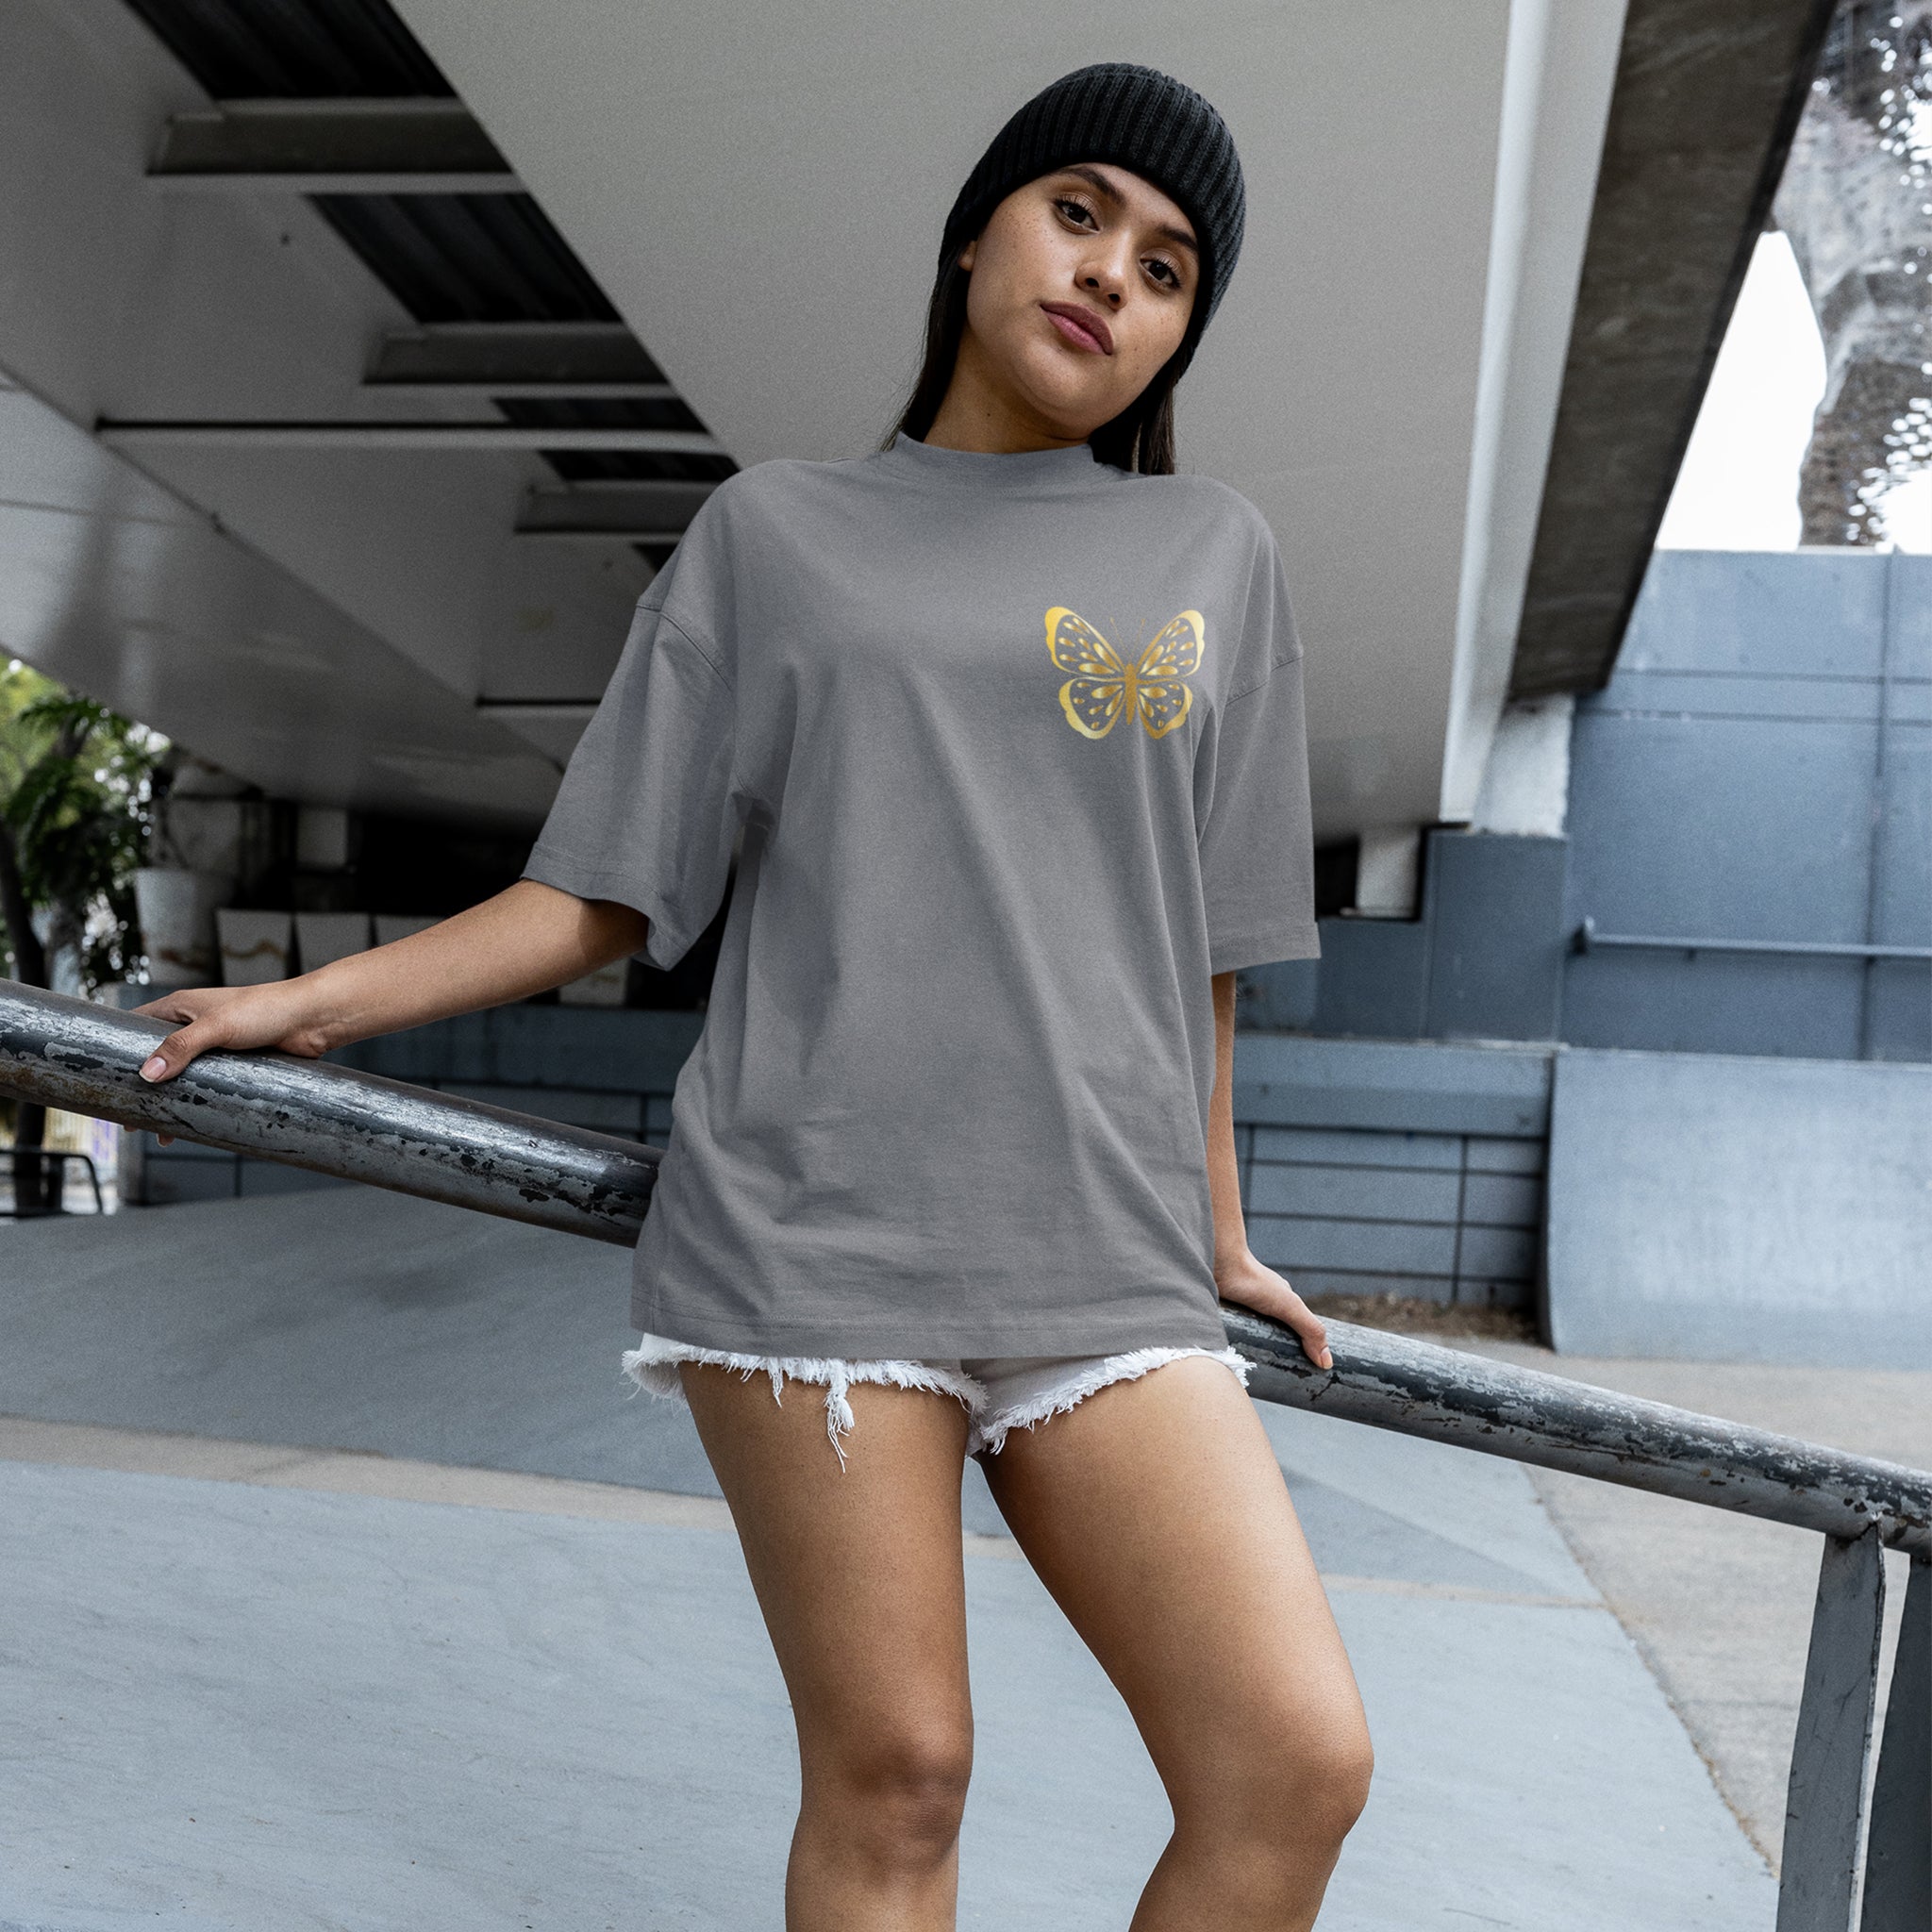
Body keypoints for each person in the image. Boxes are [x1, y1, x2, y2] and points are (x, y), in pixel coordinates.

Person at [134, 60, 1374, 1932]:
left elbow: (1210, 939)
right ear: (974, 235)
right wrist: (301, 1005)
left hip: (1106, 1266)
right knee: (902, 1776)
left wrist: (1218, 1229)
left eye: (1168, 267)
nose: (1111, 274)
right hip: (814, 1243)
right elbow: (595, 892)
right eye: (1079, 212)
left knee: (1293, 1763)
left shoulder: (1216, 556)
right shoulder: (773, 534)